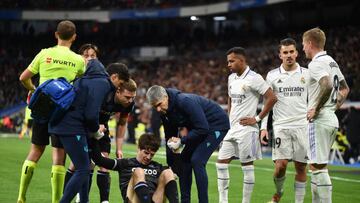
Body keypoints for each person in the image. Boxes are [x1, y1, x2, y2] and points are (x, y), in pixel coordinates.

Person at [17, 20, 85, 203]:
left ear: (56, 34)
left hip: (42, 108)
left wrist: (32, 89)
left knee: (35, 151)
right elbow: (80, 84)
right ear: (74, 37)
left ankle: (21, 196)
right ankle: (56, 201)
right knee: (58, 155)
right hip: (62, 111)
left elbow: (23, 78)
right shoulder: (79, 60)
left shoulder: (45, 53)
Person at [48, 59, 125, 203]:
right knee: (83, 169)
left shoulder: (85, 79)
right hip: (72, 126)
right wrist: (96, 131)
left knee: (84, 166)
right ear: (114, 77)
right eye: (120, 83)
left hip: (63, 123)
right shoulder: (103, 83)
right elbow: (90, 115)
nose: (118, 88)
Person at [146, 85, 230, 203]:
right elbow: (169, 137)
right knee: (184, 160)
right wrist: (171, 164)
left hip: (216, 125)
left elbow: (203, 128)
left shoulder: (184, 101)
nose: (158, 109)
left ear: (166, 97)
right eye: (155, 107)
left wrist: (181, 141)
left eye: (159, 104)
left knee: (197, 160)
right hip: (200, 128)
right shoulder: (164, 112)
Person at [216, 47, 277, 203]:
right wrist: (230, 117)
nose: (228, 64)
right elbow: (230, 98)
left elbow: (271, 98)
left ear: (242, 61)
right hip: (233, 128)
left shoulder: (255, 78)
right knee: (221, 163)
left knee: (247, 166)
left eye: (231, 61)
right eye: (228, 61)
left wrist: (256, 119)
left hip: (247, 130)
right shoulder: (231, 78)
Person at [302, 27, 350, 203]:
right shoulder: (332, 62)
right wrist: (334, 106)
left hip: (320, 120)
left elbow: (327, 84)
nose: (303, 49)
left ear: (310, 43)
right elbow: (345, 88)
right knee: (318, 167)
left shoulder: (315, 64)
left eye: (303, 45)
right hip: (330, 118)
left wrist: (317, 108)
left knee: (318, 168)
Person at [259, 38, 309, 203]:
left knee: (301, 167)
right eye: (285, 52)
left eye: (291, 52)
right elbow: (267, 103)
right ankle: (278, 193)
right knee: (281, 166)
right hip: (281, 126)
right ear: (280, 55)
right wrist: (263, 127)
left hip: (302, 125)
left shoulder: (307, 74)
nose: (289, 55)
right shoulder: (272, 75)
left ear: (296, 53)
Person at [90, 133, 179, 203]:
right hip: (133, 200)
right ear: (139, 148)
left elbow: (177, 173)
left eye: (152, 155)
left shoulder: (157, 166)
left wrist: (176, 151)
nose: (148, 157)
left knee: (168, 172)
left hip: (154, 199)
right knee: (139, 171)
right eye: (146, 153)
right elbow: (99, 160)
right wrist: (94, 137)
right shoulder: (125, 163)